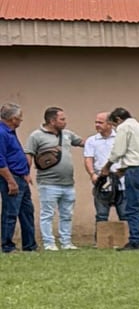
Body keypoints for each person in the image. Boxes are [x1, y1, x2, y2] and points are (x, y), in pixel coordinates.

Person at [27, 106, 81, 250]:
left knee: (67, 214)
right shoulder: (36, 136)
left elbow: (82, 142)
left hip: (68, 183)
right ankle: (49, 243)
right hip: (48, 183)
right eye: (62, 119)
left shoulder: (68, 134)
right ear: (52, 121)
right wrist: (26, 174)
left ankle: (66, 242)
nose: (65, 122)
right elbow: (29, 154)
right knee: (47, 214)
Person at [106, 105, 139, 249]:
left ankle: (135, 240)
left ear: (118, 120)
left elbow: (118, 150)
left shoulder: (124, 127)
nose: (114, 128)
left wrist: (107, 166)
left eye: (113, 125)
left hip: (135, 172)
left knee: (133, 207)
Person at [0, 102, 38, 254]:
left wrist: (25, 174)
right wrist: (10, 181)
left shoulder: (10, 131)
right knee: (10, 212)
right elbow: (1, 160)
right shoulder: (2, 133)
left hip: (21, 177)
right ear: (13, 118)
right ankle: (7, 246)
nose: (21, 121)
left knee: (27, 211)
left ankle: (30, 245)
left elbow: (14, 154)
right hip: (11, 178)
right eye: (20, 117)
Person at [84, 110, 123, 226]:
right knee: (101, 214)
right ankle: (100, 241)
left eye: (100, 122)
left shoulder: (120, 138)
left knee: (124, 213)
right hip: (102, 181)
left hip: (121, 181)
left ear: (110, 124)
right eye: (96, 122)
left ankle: (128, 240)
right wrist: (92, 174)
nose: (97, 125)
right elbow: (88, 159)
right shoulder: (91, 141)